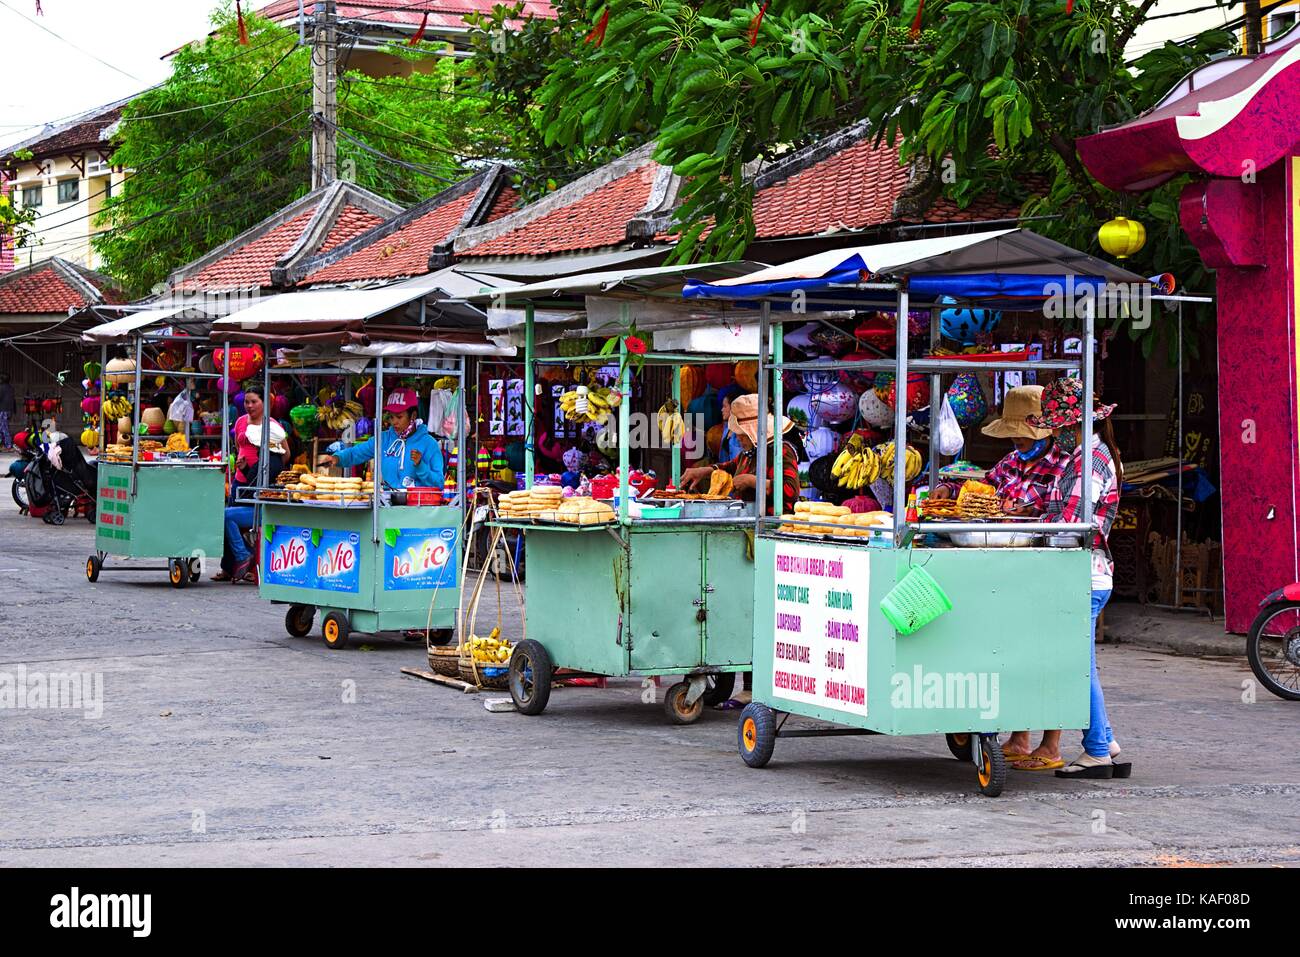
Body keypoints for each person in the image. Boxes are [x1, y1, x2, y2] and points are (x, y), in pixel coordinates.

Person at [1028, 377, 1130, 779]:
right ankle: (1104, 737)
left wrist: (1033, 527)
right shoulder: (1084, 457)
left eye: (1057, 426)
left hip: (1082, 575)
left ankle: (1098, 750)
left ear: (1074, 425)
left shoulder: (1090, 461)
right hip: (1084, 574)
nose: (1054, 434)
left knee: (1076, 666)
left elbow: (1072, 525)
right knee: (1079, 662)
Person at [930, 385, 1068, 517]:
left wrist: (1034, 512)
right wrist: (949, 489)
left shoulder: (1064, 467)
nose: (1015, 438)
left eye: (1023, 433)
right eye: (1012, 432)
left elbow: (1066, 517)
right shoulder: (1010, 461)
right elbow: (982, 489)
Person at [678, 393, 799, 515]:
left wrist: (750, 481)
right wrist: (704, 471)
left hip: (772, 525)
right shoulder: (748, 454)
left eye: (743, 434)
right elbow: (730, 466)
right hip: (748, 520)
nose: (738, 438)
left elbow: (791, 490)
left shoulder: (781, 452)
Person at [318, 387, 444, 489]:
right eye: (391, 417)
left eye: (399, 417)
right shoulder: (383, 439)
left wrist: (420, 466)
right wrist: (337, 458)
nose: (394, 422)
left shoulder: (429, 444)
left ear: (413, 415)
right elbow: (356, 453)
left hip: (418, 510)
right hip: (388, 505)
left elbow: (439, 483)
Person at [0, 373, 15, 451]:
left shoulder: (1, 388)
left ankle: (8, 445)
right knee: (3, 427)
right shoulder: (11, 388)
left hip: (3, 410)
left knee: (4, 428)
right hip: (8, 410)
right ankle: (3, 444)